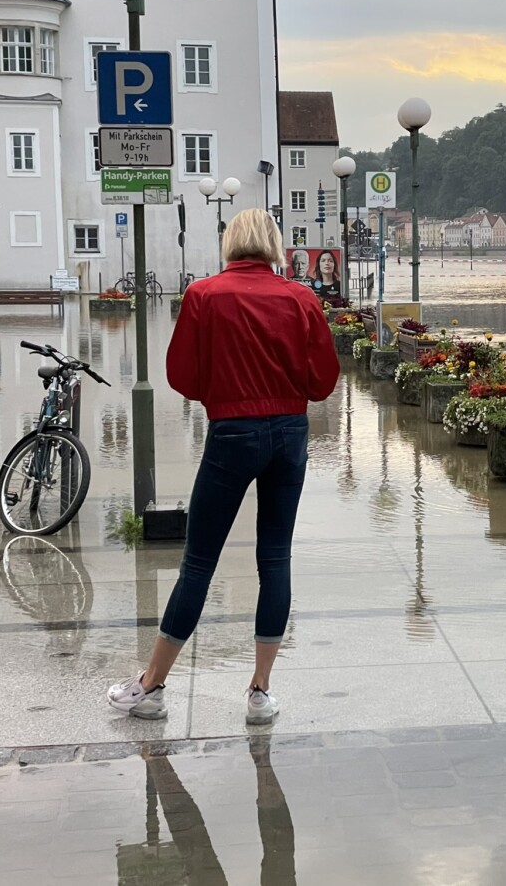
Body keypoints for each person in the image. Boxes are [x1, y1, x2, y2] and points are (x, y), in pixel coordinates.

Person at [108, 209, 339, 725]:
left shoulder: (204, 295)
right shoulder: (301, 298)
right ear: (275, 245)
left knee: (199, 563)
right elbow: (323, 382)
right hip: (289, 434)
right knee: (275, 559)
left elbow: (181, 375)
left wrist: (224, 395)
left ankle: (151, 687)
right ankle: (260, 693)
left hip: (232, 431)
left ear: (231, 243)